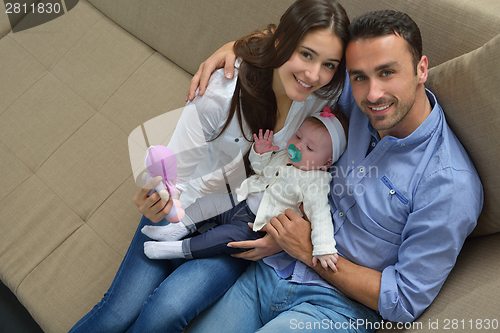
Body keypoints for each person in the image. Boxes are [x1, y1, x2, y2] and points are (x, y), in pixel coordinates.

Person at [183, 10, 484, 332]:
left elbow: (403, 300)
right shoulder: (352, 101)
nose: (373, 94)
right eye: (360, 76)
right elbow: (296, 61)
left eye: (387, 73)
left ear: (421, 69)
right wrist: (238, 50)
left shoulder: (449, 185)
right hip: (270, 269)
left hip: (338, 308)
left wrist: (308, 249)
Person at [68, 1, 350, 332]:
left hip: (243, 222)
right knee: (118, 311)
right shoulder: (221, 92)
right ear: (282, 42)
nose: (314, 75)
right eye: (306, 55)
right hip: (186, 203)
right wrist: (157, 197)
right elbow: (171, 171)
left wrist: (281, 238)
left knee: (168, 309)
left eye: (328, 64)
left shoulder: (319, 98)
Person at [142, 109, 348, 272]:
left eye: (310, 148)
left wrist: (324, 249)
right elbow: (259, 170)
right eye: (298, 137)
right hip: (239, 200)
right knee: (207, 203)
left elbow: (320, 216)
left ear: (325, 163)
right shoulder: (284, 155)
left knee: (223, 239)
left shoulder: (316, 183)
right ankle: (174, 231)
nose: (298, 146)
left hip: (254, 225)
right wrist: (260, 153)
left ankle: (174, 250)